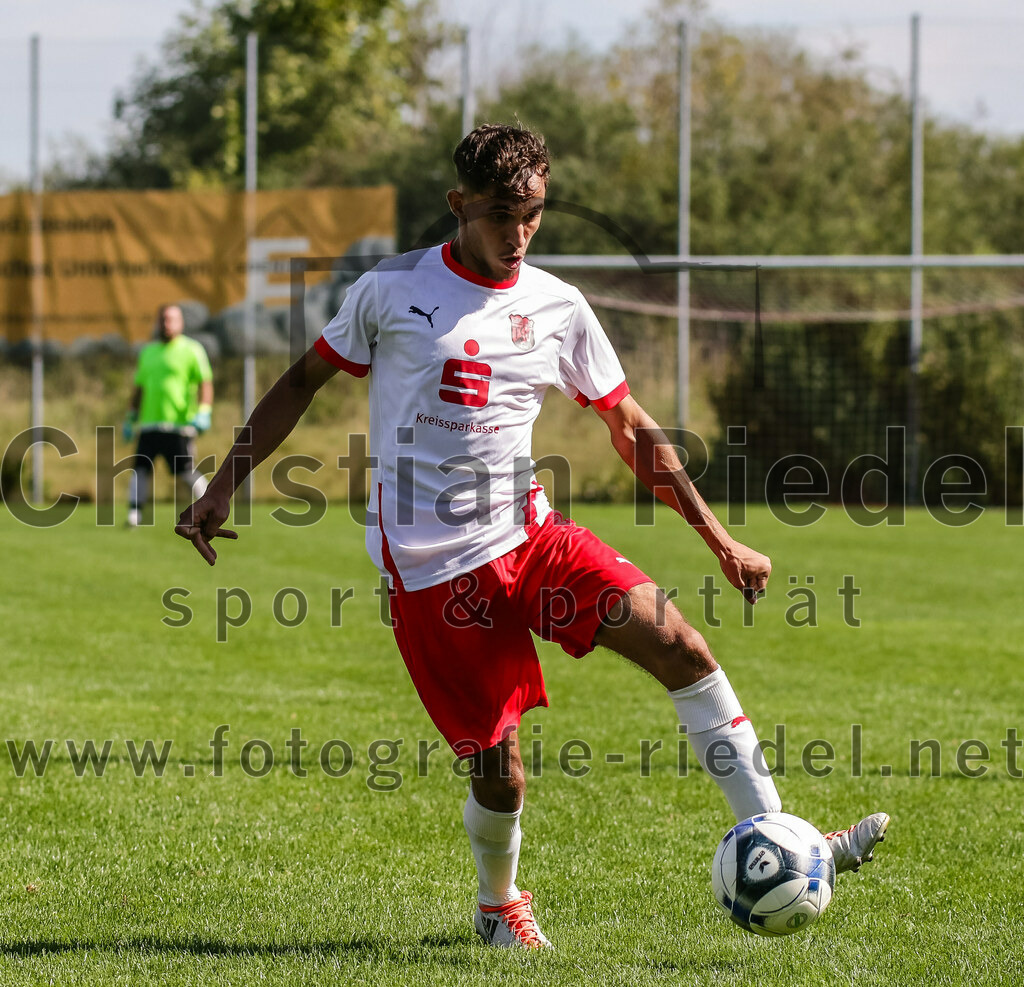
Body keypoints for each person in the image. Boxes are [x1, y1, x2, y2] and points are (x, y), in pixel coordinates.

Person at [175, 125, 888, 949]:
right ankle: (497, 902)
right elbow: (303, 379)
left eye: (535, 215)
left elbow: (628, 427)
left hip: (532, 534)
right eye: (502, 215)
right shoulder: (391, 290)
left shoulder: (558, 306)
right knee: (501, 769)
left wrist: (719, 538)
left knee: (683, 646)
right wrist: (224, 483)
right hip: (436, 572)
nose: (519, 235)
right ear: (459, 205)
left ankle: (783, 837)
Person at [124, 303, 214, 526]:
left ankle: (210, 506)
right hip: (149, 424)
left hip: (178, 426)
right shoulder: (148, 352)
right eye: (163, 319)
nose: (167, 324)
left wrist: (204, 411)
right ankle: (134, 515)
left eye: (172, 319)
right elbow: (140, 388)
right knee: (140, 470)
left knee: (186, 472)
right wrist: (131, 416)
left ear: (181, 323)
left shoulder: (192, 350)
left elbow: (205, 382)